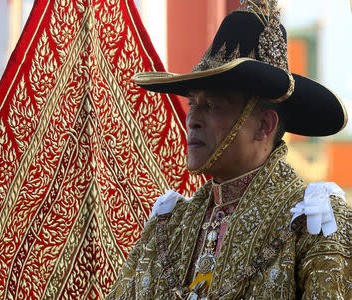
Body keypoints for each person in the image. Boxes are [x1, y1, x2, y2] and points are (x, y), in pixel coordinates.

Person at [107, 0, 351, 299]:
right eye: (192, 104)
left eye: (212, 106)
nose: (193, 120)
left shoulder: (314, 222)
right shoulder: (168, 226)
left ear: (264, 125)